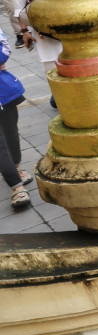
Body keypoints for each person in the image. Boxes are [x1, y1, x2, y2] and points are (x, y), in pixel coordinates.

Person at [11, 0, 62, 108]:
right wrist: (24, 31)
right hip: (41, 29)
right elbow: (19, 8)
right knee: (50, 63)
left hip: (64, 22)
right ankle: (59, 97)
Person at [0, 27, 30, 210]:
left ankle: (16, 166)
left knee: (11, 131)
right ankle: (17, 186)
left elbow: (4, 49)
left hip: (3, 91)